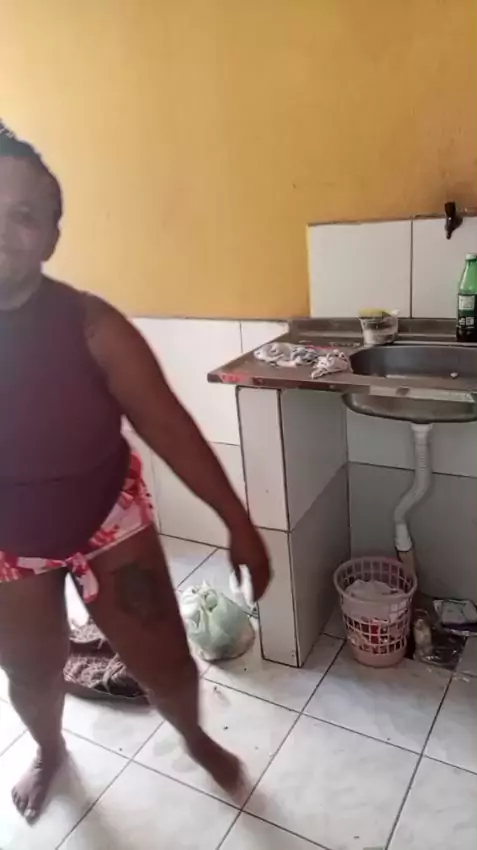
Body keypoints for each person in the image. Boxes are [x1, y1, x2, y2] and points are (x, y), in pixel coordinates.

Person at [0, 122, 271, 823]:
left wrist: (238, 524)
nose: (3, 232)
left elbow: (171, 429)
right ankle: (50, 750)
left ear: (52, 236)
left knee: (169, 664)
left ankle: (194, 737)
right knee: (29, 670)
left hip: (107, 518)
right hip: (8, 544)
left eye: (23, 214)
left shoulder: (92, 326)